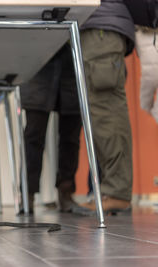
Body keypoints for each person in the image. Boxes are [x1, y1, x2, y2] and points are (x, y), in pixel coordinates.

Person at [78, 0, 135, 212]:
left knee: (106, 111)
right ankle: (112, 190)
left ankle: (117, 193)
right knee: (101, 111)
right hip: (98, 26)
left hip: (100, 25)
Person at [20, 43, 82, 213]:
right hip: (38, 61)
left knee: (71, 137)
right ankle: (28, 195)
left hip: (73, 61)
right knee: (33, 136)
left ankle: (66, 192)